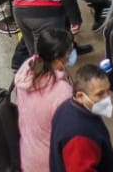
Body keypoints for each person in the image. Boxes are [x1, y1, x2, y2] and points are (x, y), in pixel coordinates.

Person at [14, 28, 75, 172]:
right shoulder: (62, 92)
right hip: (50, 162)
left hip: (28, 154)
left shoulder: (27, 67)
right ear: (57, 57)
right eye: (69, 51)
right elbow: (69, 135)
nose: (71, 54)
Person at [50, 64, 113, 172]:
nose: (107, 98)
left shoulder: (65, 108)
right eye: (100, 94)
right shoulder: (79, 135)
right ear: (80, 96)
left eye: (108, 91)